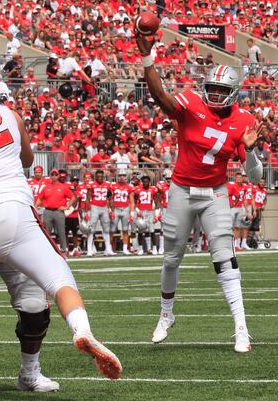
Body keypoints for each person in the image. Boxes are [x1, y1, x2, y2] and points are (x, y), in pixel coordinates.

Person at [0, 58, 122, 399]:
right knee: (57, 284)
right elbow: (27, 160)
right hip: (16, 213)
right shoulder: (8, 114)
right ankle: (79, 331)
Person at [136, 31, 263, 353]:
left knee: (225, 257)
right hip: (181, 189)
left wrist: (249, 151)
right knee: (170, 258)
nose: (216, 94)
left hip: (215, 193)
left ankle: (241, 328)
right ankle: (166, 315)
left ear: (234, 92)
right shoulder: (191, 104)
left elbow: (256, 175)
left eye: (222, 90)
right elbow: (161, 97)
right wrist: (148, 58)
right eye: (213, 88)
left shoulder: (245, 120)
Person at [36, 169, 74, 254]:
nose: (54, 176)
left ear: (58, 176)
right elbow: (40, 198)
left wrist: (67, 206)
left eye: (55, 174)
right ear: (50, 176)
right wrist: (35, 207)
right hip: (48, 211)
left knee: (61, 232)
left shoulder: (63, 187)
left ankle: (64, 250)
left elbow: (73, 197)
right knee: (46, 232)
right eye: (52, 174)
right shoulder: (46, 187)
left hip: (58, 211)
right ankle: (46, 250)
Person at [85, 169, 114, 256]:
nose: (100, 178)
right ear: (95, 177)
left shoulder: (107, 185)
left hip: (104, 207)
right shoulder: (91, 185)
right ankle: (89, 249)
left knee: (106, 229)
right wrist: (87, 211)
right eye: (98, 177)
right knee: (91, 229)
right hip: (94, 207)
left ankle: (108, 249)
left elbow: (110, 198)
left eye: (101, 176)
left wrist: (111, 210)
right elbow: (87, 198)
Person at [130, 175, 160, 255]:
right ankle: (140, 249)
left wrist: (156, 215)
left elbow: (157, 203)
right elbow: (134, 202)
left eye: (147, 181)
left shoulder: (153, 189)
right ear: (142, 182)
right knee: (140, 231)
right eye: (144, 181)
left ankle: (154, 248)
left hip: (150, 212)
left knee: (152, 231)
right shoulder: (137, 189)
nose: (145, 183)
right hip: (141, 211)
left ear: (149, 182)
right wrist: (137, 211)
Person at [110, 170, 134, 255]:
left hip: (125, 209)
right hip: (116, 209)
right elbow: (110, 199)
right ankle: (109, 248)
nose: (122, 177)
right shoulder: (113, 186)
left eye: (123, 175)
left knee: (125, 229)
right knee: (112, 230)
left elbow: (131, 201)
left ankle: (125, 248)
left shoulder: (129, 187)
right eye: (120, 175)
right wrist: (111, 210)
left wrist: (132, 213)